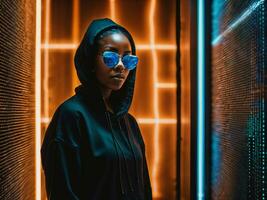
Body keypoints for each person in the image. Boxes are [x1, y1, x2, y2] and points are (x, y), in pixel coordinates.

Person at [41, 18, 152, 200]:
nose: (120, 65)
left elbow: (144, 189)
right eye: (110, 57)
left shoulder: (129, 123)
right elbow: (63, 192)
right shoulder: (71, 116)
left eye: (128, 59)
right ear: (91, 60)